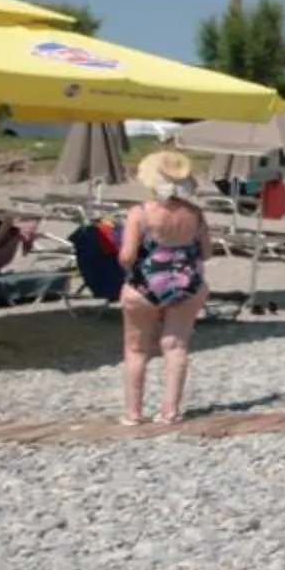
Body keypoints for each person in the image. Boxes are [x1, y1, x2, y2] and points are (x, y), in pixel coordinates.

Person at [116, 148, 212, 425]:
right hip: (188, 283)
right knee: (176, 345)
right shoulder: (196, 214)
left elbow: (127, 256)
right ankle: (170, 411)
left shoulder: (140, 213)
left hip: (145, 285)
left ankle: (133, 413)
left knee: (136, 349)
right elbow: (206, 253)